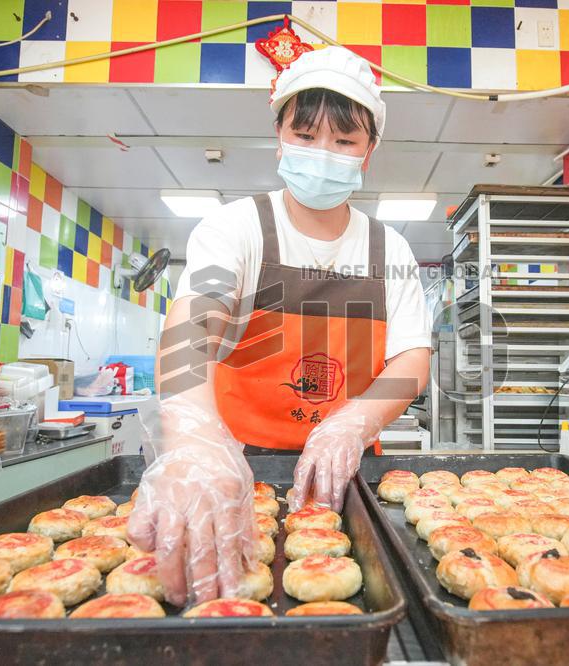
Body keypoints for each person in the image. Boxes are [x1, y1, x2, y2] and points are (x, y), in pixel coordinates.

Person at [128, 47, 432, 607]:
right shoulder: (236, 228)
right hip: (235, 465)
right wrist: (194, 441)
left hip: (345, 471)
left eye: (344, 142)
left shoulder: (390, 249)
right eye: (306, 135)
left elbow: (412, 358)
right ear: (280, 139)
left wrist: (351, 423)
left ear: (368, 152)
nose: (324, 154)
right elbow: (192, 326)